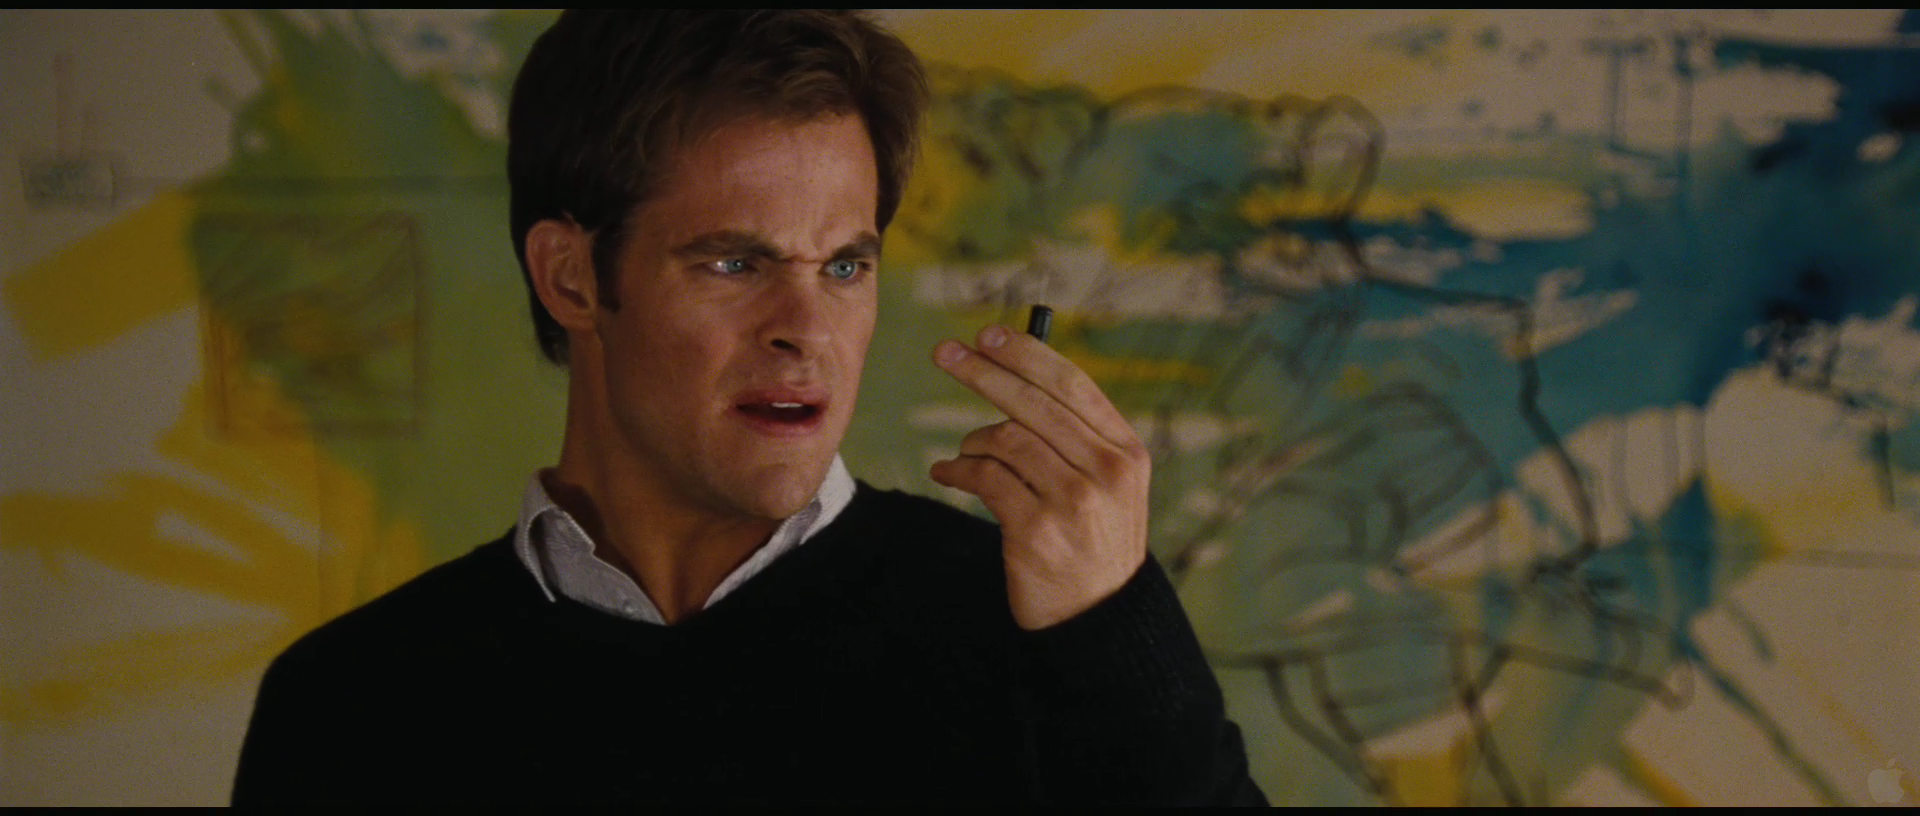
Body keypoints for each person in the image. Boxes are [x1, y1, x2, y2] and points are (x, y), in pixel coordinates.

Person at [232, 9, 1264, 806]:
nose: (805, 330)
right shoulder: (352, 703)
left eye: (845, 266)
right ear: (572, 277)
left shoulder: (1043, 637)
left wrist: (1114, 632)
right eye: (734, 262)